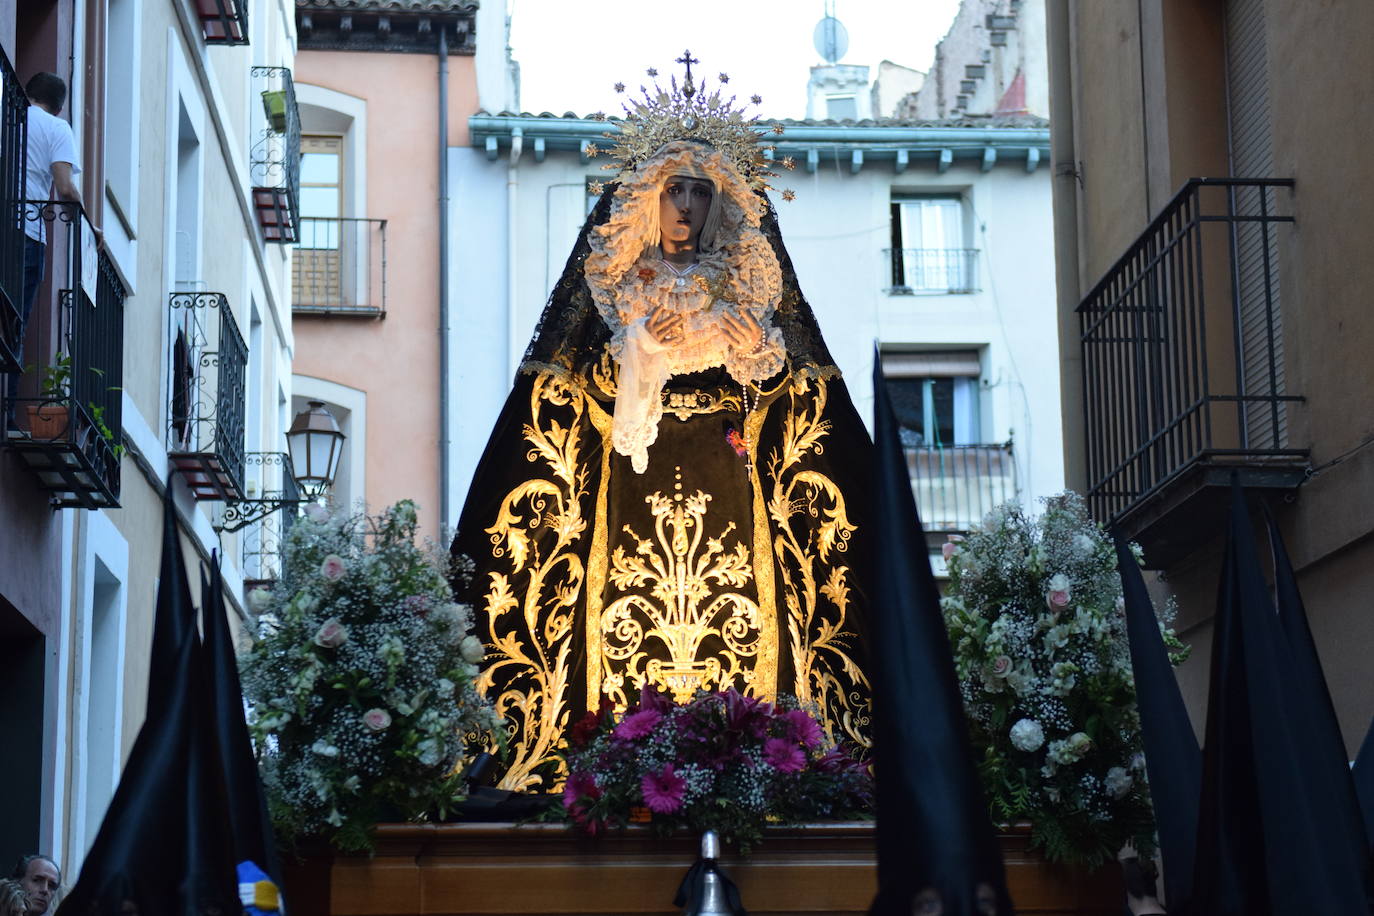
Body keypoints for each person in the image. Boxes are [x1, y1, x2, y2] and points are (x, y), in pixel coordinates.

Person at [452, 58, 876, 791]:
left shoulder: (751, 297)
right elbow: (556, 411)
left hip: (735, 506)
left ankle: (762, 761)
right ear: (647, 200)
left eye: (700, 193)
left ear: (722, 205)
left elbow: (803, 411)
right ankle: (609, 764)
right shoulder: (615, 298)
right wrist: (638, 353)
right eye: (673, 190)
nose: (685, 205)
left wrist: (754, 356)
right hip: (626, 504)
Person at [4, 72, 86, 430]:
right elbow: (65, 187)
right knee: (13, 324)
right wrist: (87, 218)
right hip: (27, 232)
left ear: (27, 93)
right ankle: (6, 415)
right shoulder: (58, 129)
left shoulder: (9, 111)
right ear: (59, 105)